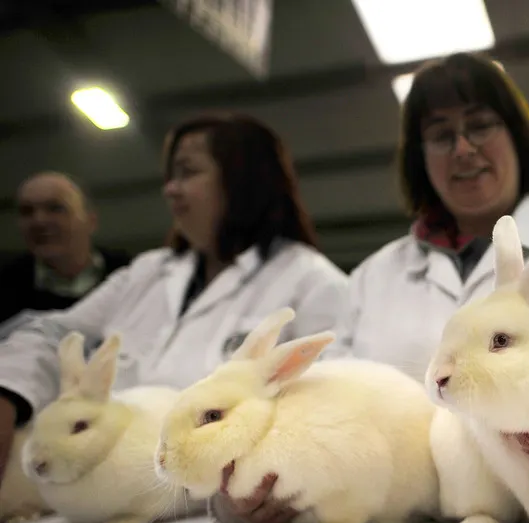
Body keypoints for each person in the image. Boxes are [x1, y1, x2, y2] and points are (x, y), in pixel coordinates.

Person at [211, 52, 529, 523]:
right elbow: (335, 398)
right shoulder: (371, 277)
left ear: (516, 133)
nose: (463, 148)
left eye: (481, 124)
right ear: (420, 159)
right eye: (441, 135)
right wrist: (263, 483)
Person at [0, 112, 349, 492]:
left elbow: (327, 400)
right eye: (171, 175)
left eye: (187, 172)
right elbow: (52, 332)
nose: (170, 189)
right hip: (99, 499)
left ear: (241, 179)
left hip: (208, 507)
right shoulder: (147, 272)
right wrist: (7, 391)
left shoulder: (310, 280)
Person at [0, 172, 131, 326]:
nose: (39, 221)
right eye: (27, 211)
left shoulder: (131, 277)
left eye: (55, 208)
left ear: (91, 221)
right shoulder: (5, 288)